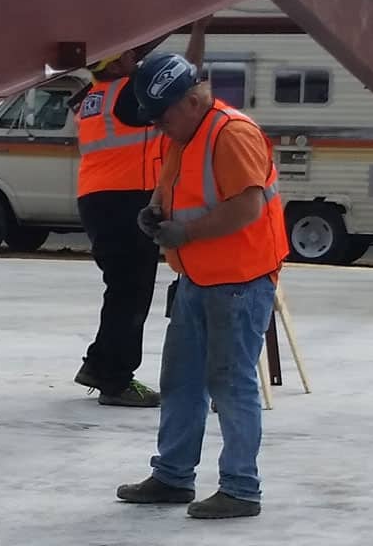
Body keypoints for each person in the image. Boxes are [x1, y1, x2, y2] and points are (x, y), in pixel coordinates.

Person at [110, 52, 289, 520]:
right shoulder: (185, 137)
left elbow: (247, 208)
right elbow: (172, 190)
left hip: (240, 282)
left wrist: (186, 233)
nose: (158, 127)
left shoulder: (231, 135)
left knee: (230, 384)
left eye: (162, 116)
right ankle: (172, 475)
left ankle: (241, 489)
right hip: (198, 278)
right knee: (182, 381)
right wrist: (154, 212)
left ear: (192, 100)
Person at [71, 18, 210, 408]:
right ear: (114, 64)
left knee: (121, 288)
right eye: (130, 52)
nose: (136, 55)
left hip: (96, 200)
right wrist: (198, 31)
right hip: (125, 199)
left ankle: (100, 363)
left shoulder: (91, 96)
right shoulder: (128, 94)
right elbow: (186, 84)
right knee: (131, 292)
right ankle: (115, 379)